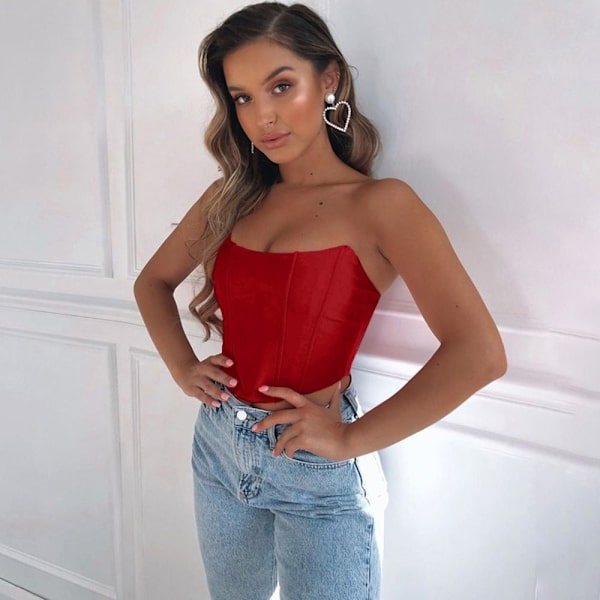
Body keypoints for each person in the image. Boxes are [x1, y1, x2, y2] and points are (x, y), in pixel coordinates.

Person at [133, 2, 507, 599]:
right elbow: (151, 283)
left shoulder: (382, 205)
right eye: (243, 97)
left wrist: (351, 440)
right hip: (219, 445)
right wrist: (183, 367)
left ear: (328, 78)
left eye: (282, 86)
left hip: (315, 468)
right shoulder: (231, 196)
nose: (263, 116)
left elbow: (480, 352)